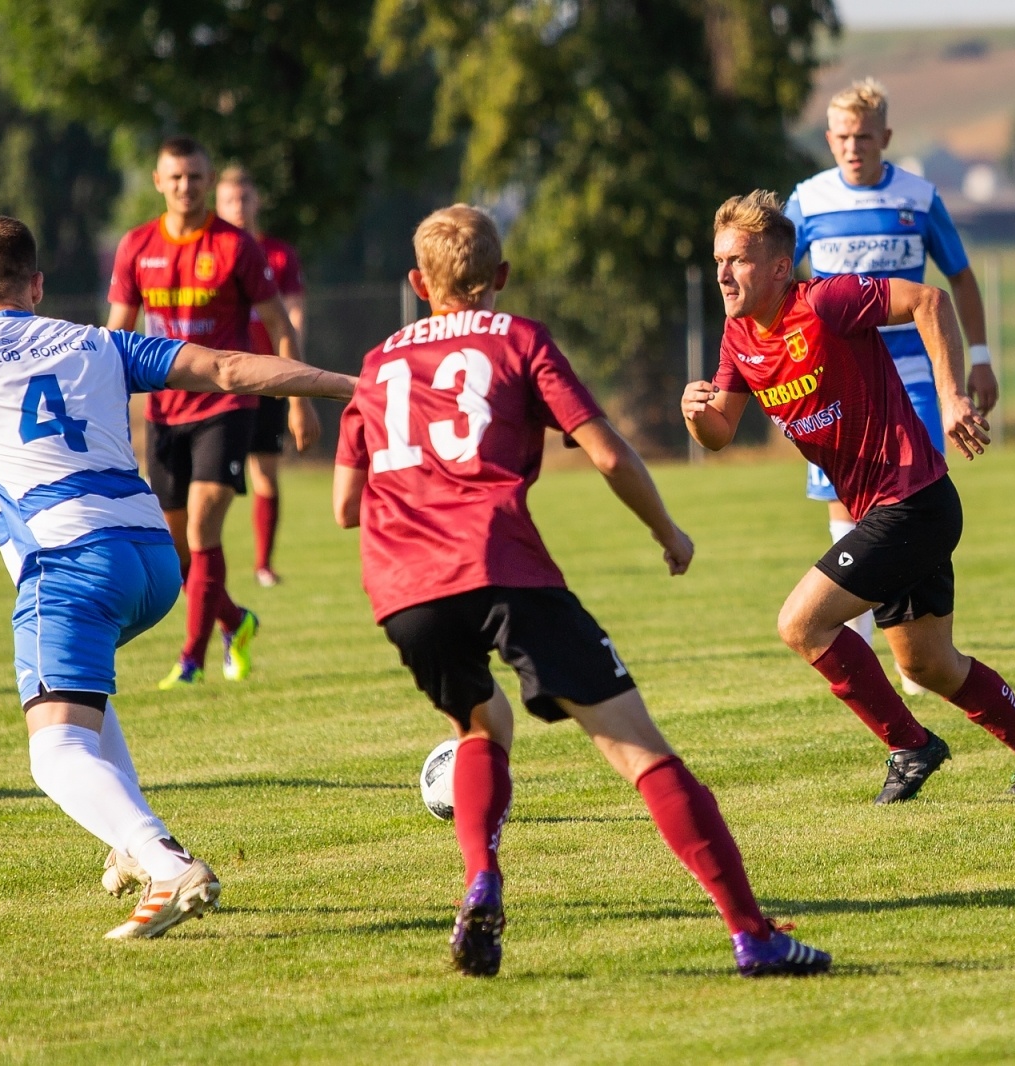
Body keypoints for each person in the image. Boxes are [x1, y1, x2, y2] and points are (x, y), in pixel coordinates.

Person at [333, 205, 831, 979]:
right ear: (499, 278)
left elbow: (342, 506)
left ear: (414, 283)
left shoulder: (376, 363)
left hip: (402, 590)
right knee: (639, 751)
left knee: (481, 723)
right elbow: (605, 454)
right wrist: (668, 531)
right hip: (501, 565)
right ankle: (753, 935)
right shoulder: (517, 337)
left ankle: (481, 878)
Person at [0, 215, 355, 938]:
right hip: (154, 563)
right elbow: (225, 367)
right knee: (81, 695)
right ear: (36, 285)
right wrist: (351, 385)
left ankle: (165, 860)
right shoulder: (95, 342)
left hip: (65, 565)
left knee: (54, 751)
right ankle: (126, 842)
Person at [682, 190, 1015, 804]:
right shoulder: (739, 339)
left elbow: (930, 299)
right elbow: (719, 434)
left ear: (778, 266)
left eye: (736, 259)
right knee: (928, 665)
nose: (723, 274)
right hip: (894, 511)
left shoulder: (825, 300)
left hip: (912, 501)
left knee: (801, 622)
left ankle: (908, 745)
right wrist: (694, 415)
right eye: (717, 261)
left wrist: (951, 397)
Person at [786, 79, 999, 690]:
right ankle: (853, 649)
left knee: (914, 502)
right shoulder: (808, 201)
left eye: (864, 137)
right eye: (842, 138)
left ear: (886, 138)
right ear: (830, 140)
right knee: (844, 500)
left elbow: (958, 278)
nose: (853, 148)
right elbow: (777, 279)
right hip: (838, 379)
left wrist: (977, 358)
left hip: (912, 373)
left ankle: (920, 641)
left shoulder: (919, 197)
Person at [108, 136, 318, 689]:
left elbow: (280, 325)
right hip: (165, 412)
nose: (186, 186)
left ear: (208, 182)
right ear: (158, 181)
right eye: (175, 177)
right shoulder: (136, 247)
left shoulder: (236, 247)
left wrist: (299, 403)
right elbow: (116, 336)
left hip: (227, 405)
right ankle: (237, 621)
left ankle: (191, 662)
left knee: (204, 528)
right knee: (177, 557)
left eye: (196, 177)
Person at [215, 166, 307, 587]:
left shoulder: (280, 255)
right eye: (230, 200)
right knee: (209, 478)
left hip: (268, 377)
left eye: (245, 198)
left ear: (257, 202)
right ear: (218, 204)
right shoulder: (212, 251)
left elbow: (294, 315)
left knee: (265, 470)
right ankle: (193, 566)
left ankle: (263, 565)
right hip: (221, 380)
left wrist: (295, 371)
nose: (238, 207)